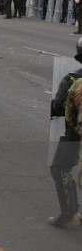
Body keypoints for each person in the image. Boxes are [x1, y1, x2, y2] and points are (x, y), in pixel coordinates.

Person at [49, 39, 82, 226]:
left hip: (74, 137)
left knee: (60, 167)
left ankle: (69, 213)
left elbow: (58, 106)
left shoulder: (73, 80)